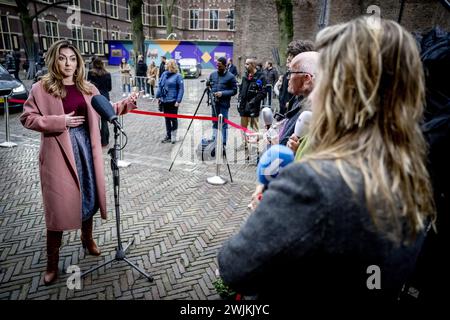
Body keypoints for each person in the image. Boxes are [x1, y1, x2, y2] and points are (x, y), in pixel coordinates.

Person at [218, 17, 435, 303]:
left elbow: (235, 268)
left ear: (341, 89)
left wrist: (271, 202)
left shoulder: (315, 182)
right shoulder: (413, 174)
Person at [19, 40, 139, 285]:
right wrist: (58, 121)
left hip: (86, 150)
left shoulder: (88, 87)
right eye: (62, 58)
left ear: (78, 62)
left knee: (88, 197)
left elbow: (107, 108)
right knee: (57, 211)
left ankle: (88, 240)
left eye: (72, 59)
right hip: (59, 156)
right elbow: (27, 118)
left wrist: (127, 103)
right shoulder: (40, 89)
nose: (68, 63)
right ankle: (52, 263)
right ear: (54, 60)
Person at [278, 40, 314, 115]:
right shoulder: (287, 76)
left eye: (290, 61)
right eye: (287, 61)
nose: (288, 65)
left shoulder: (310, 104)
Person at [208, 56, 238, 146]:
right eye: (217, 65)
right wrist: (210, 95)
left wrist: (222, 93)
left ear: (225, 66)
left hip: (224, 104)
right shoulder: (212, 74)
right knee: (214, 122)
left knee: (224, 123)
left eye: (220, 66)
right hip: (214, 103)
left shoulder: (231, 77)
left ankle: (223, 142)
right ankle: (214, 139)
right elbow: (210, 87)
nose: (218, 67)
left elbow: (234, 91)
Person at [156, 59, 184, 144]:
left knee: (173, 119)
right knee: (167, 119)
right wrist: (158, 97)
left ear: (171, 65)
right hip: (164, 101)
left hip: (173, 101)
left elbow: (181, 89)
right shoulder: (164, 74)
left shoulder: (178, 76)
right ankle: (168, 136)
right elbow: (160, 86)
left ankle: (174, 136)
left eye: (166, 64)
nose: (165, 65)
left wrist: (178, 101)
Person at [238, 58, 266, 139]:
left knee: (254, 128)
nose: (245, 66)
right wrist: (240, 99)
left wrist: (253, 101)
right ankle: (245, 144)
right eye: (245, 64)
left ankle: (255, 147)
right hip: (243, 106)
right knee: (243, 128)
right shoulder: (245, 76)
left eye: (247, 64)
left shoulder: (260, 76)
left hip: (253, 107)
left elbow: (263, 92)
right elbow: (242, 88)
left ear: (253, 65)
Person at [88, 58, 112, 147]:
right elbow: (109, 88)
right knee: (104, 120)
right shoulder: (107, 74)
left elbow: (88, 85)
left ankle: (95, 140)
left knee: (94, 120)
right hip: (105, 97)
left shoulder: (91, 73)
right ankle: (105, 141)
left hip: (94, 97)